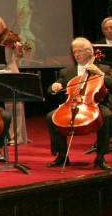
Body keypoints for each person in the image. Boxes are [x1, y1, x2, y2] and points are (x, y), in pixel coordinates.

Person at [45, 37, 112, 171]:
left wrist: (99, 74)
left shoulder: (103, 68)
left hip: (95, 104)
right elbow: (50, 90)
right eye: (74, 52)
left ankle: (100, 157)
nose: (76, 55)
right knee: (50, 117)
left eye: (79, 51)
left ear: (90, 52)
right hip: (72, 104)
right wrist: (54, 86)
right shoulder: (67, 71)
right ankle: (62, 156)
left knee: (107, 116)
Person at [0, 15, 29, 146]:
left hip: (10, 70)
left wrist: (19, 48)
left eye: (0, 25)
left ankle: (17, 137)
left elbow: (19, 55)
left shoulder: (10, 38)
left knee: (15, 105)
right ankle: (4, 135)